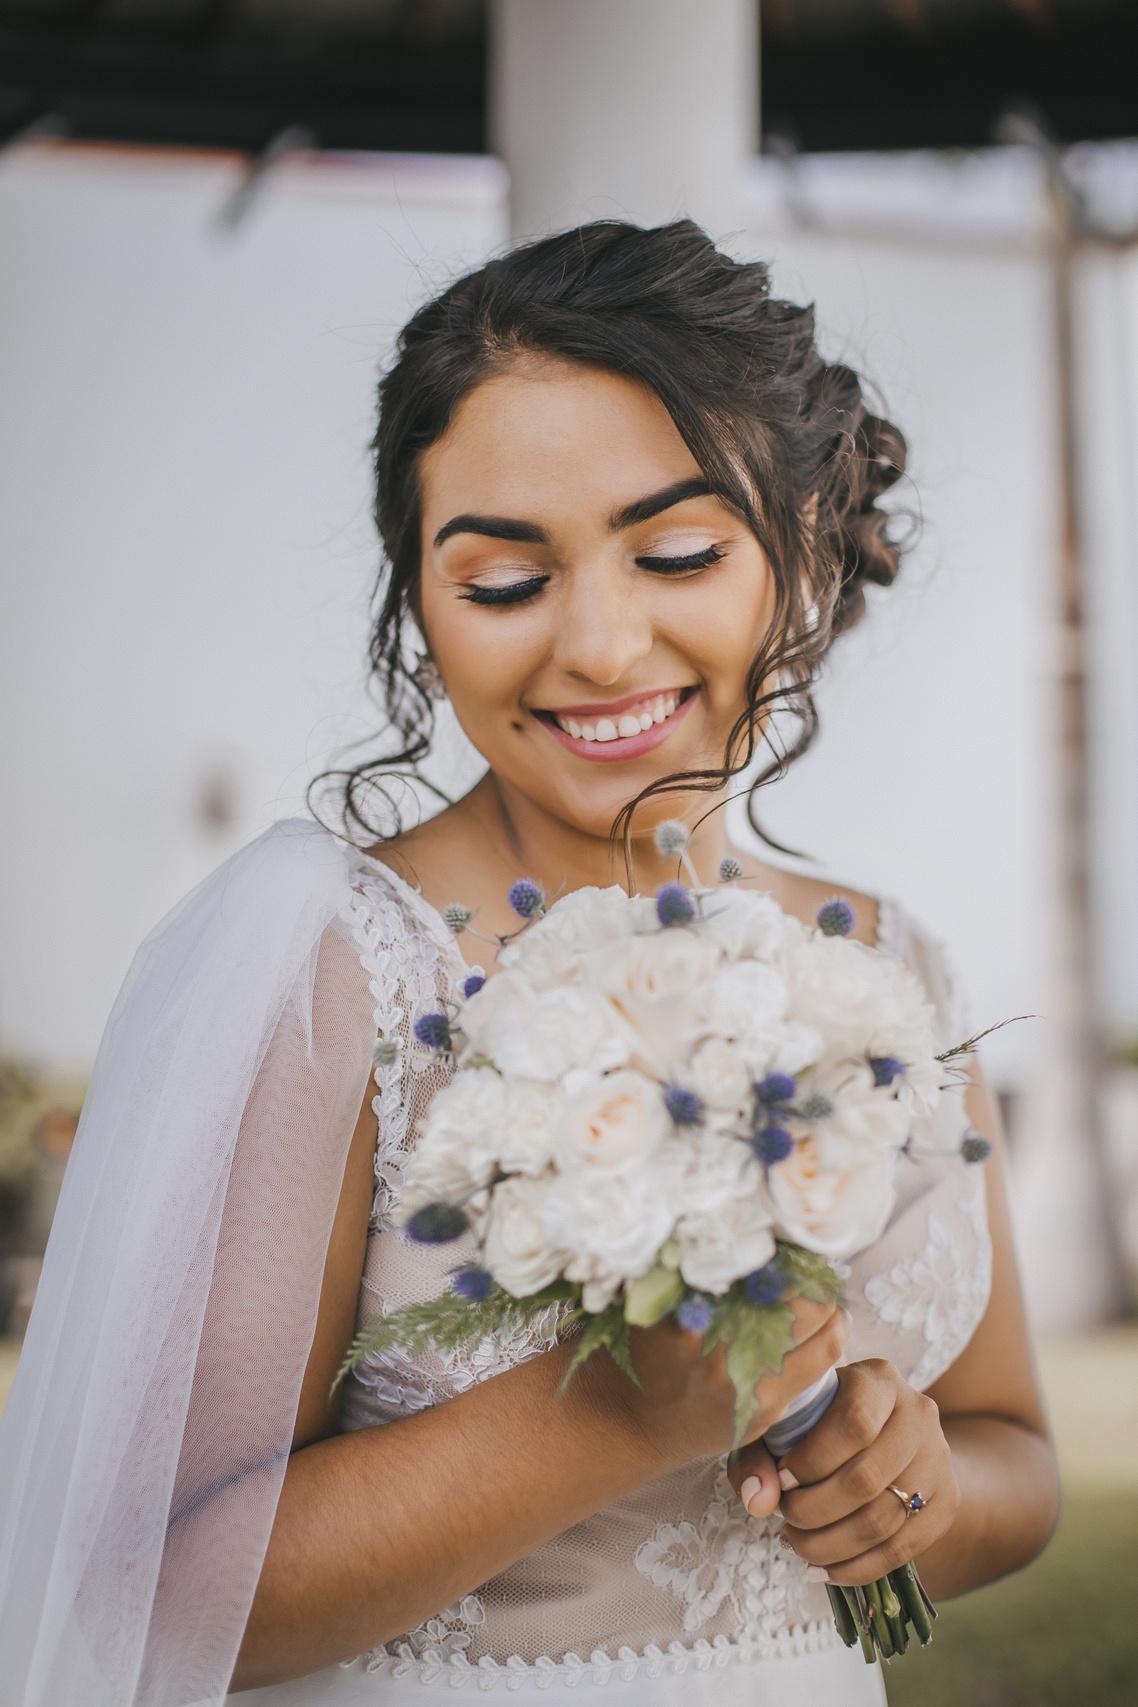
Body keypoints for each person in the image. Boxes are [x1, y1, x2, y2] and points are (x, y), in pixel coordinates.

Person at [0, 219, 1059, 1707]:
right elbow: (144, 1602)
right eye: (504, 581)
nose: (600, 646)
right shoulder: (335, 970)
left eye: (677, 553)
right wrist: (611, 1421)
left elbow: (1013, 1451)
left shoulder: (890, 969)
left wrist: (912, 1491)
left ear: (804, 546)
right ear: (419, 610)